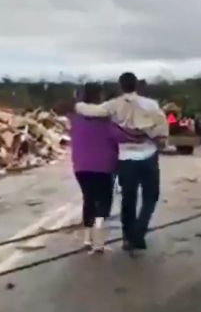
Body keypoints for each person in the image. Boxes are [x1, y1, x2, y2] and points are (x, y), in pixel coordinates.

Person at [75, 72, 168, 255]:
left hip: (126, 158)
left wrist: (78, 105)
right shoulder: (151, 105)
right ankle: (138, 232)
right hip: (148, 155)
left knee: (128, 199)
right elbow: (161, 126)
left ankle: (127, 237)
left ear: (120, 86)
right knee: (151, 196)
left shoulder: (113, 105)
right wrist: (161, 140)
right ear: (137, 85)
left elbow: (91, 111)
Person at [69, 82, 145, 253]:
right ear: (100, 96)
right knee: (103, 202)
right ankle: (98, 242)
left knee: (88, 199)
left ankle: (87, 239)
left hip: (81, 166)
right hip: (104, 167)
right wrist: (143, 137)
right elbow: (123, 136)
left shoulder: (75, 118)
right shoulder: (107, 120)